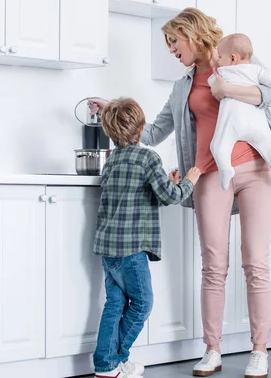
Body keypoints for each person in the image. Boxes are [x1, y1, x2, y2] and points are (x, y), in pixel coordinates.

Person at [90, 7, 271, 378]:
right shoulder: (181, 86)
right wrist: (113, 111)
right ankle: (212, 349)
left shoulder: (234, 61)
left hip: (255, 170)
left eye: (174, 40)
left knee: (256, 262)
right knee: (213, 265)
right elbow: (153, 133)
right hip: (208, 175)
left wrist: (226, 87)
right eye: (168, 43)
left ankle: (259, 350)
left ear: (192, 34)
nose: (171, 49)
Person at [92, 97, 201, 378]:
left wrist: (169, 180)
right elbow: (170, 196)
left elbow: (139, 192)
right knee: (142, 304)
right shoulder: (149, 157)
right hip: (132, 250)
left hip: (109, 249)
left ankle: (104, 366)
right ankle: (117, 360)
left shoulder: (111, 160)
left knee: (114, 304)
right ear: (141, 129)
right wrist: (190, 179)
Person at [209, 33, 271, 190]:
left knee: (218, 146)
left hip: (232, 120)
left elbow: (212, 84)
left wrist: (214, 68)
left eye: (220, 56)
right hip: (255, 121)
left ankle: (226, 169)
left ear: (232, 58)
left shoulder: (222, 72)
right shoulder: (256, 70)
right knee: (268, 145)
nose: (218, 60)